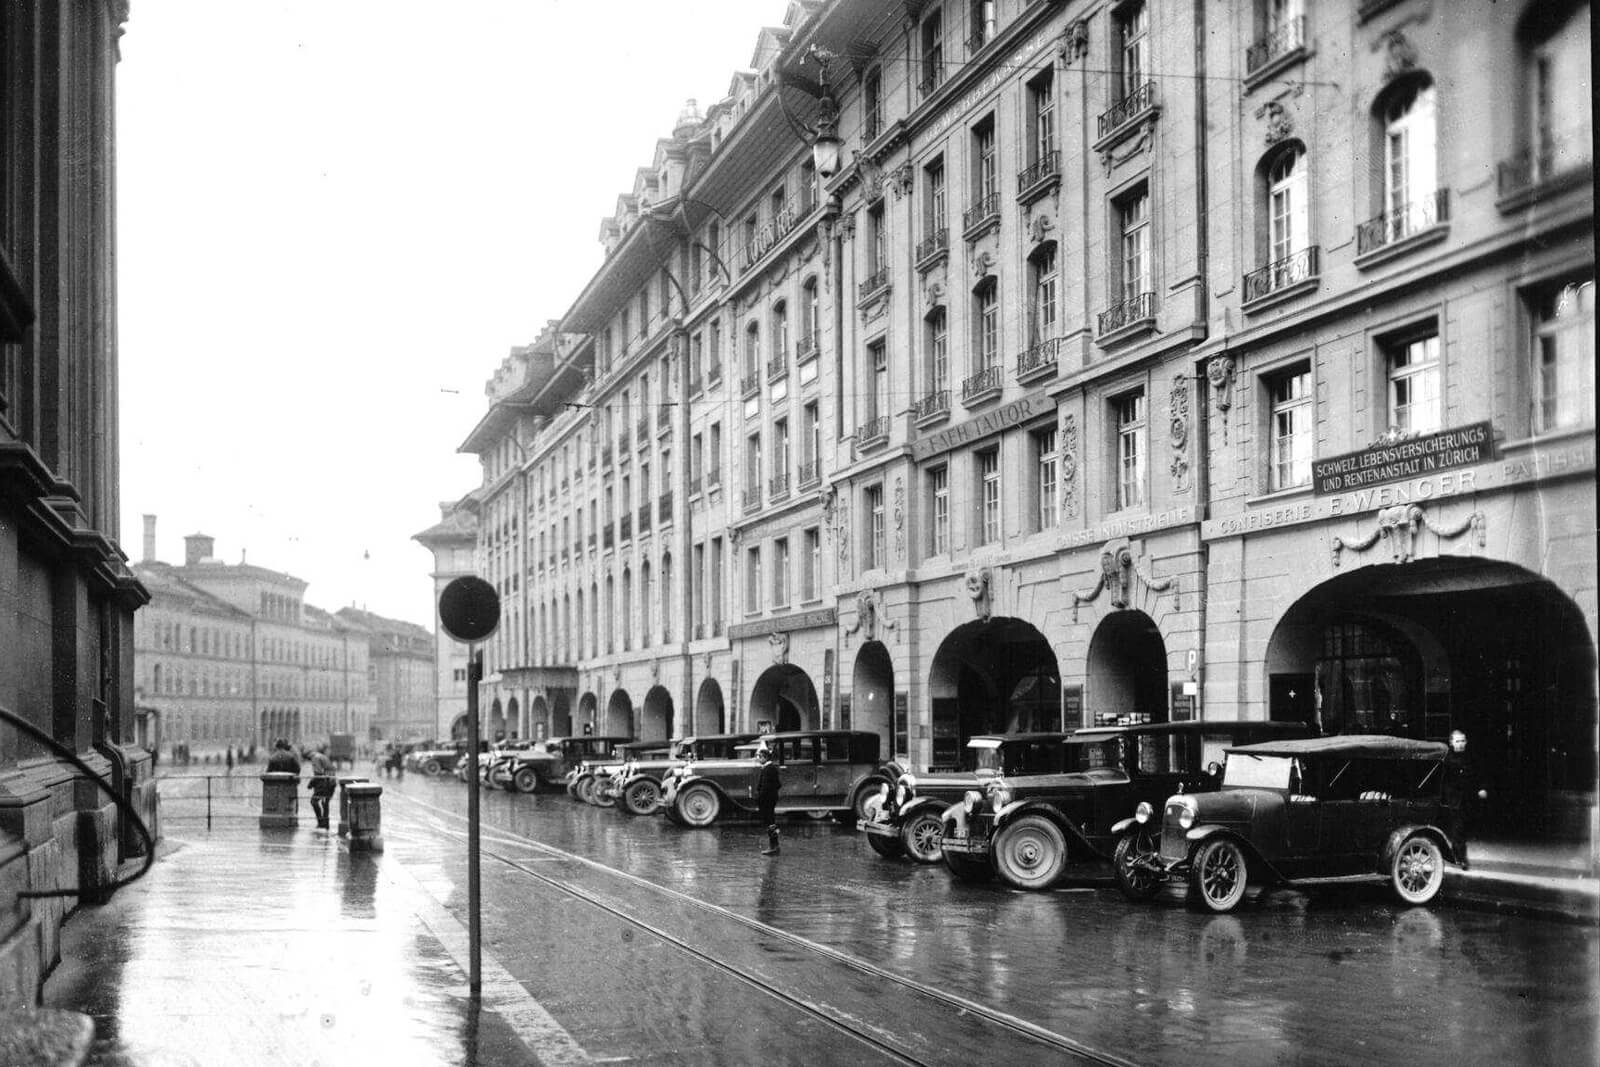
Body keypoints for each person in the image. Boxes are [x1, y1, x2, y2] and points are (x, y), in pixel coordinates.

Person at [753, 744, 781, 856]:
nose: (759, 759)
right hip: (770, 799)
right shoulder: (770, 768)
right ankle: (774, 846)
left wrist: (761, 798)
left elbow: (765, 787)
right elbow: (778, 784)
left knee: (770, 823)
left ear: (765, 757)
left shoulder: (768, 769)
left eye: (760, 757)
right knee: (771, 822)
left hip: (767, 800)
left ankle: (774, 847)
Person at [308, 745, 336, 830]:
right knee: (325, 803)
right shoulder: (323, 757)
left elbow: (318, 773)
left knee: (314, 801)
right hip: (331, 782)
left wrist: (311, 783)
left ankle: (320, 822)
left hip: (324, 782)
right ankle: (326, 824)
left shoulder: (315, 758)